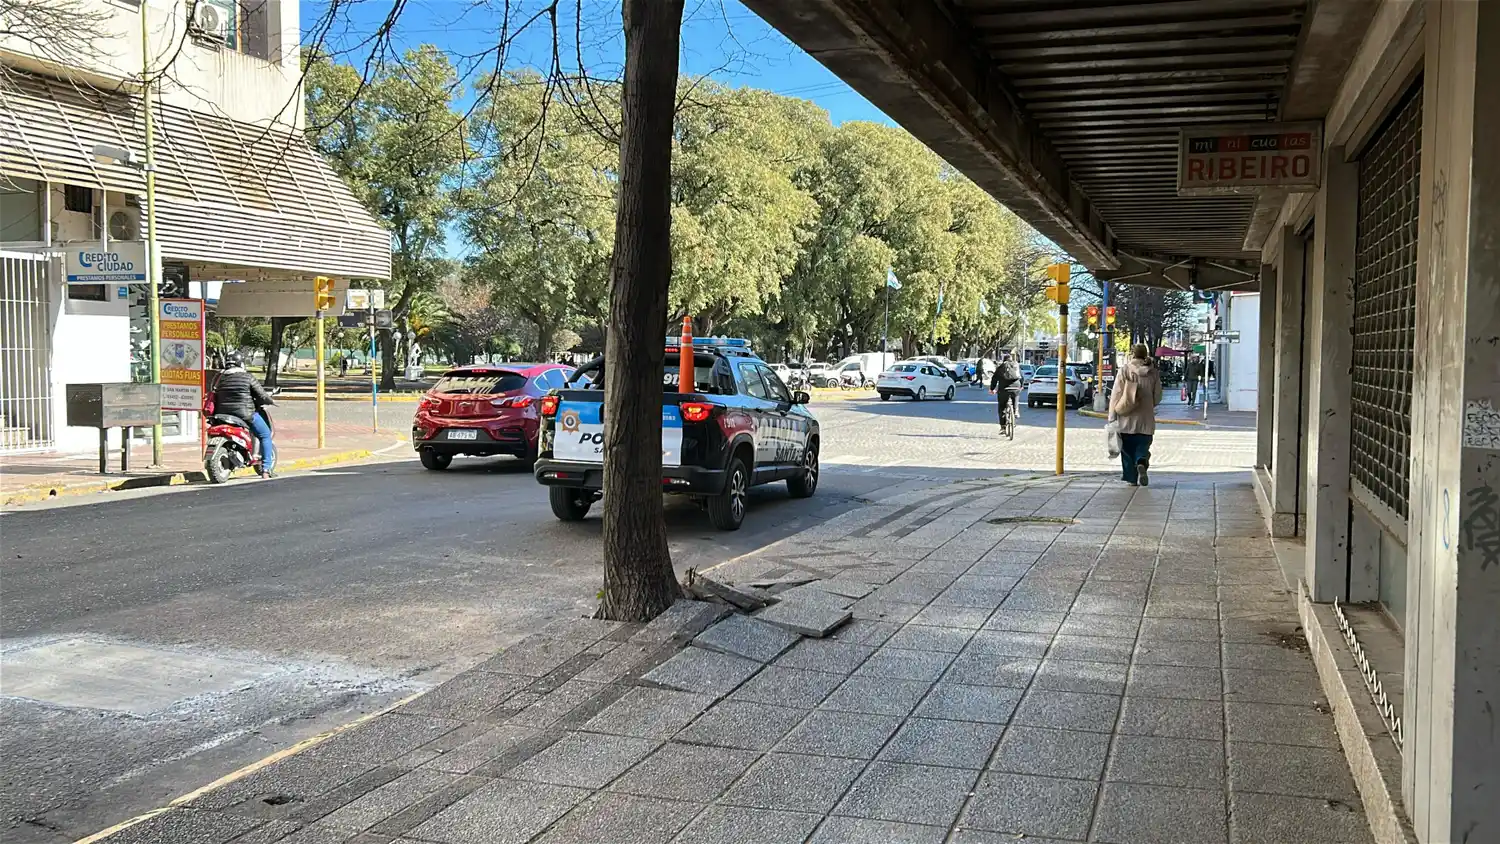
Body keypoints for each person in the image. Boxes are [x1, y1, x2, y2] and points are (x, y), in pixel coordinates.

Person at [213, 352, 277, 477]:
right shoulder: (248, 377)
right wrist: (271, 401)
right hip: (245, 414)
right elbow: (262, 395)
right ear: (241, 363)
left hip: (221, 414)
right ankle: (266, 469)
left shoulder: (219, 378)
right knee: (265, 435)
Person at [1110, 343, 1164, 486]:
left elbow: (1116, 394)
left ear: (1132, 354)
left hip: (1126, 417)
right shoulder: (1153, 372)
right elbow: (1158, 396)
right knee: (1143, 445)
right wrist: (1149, 403)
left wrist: (1112, 415)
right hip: (1146, 418)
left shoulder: (1125, 370)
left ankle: (1131, 478)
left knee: (1127, 450)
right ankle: (1141, 460)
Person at [989, 352, 1023, 432]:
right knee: (1016, 396)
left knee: (1001, 407)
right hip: (1016, 387)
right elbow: (1022, 377)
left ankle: (1003, 427)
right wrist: (1021, 386)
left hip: (1003, 389)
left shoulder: (1001, 367)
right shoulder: (1016, 366)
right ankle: (1015, 411)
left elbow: (994, 379)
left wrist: (992, 389)